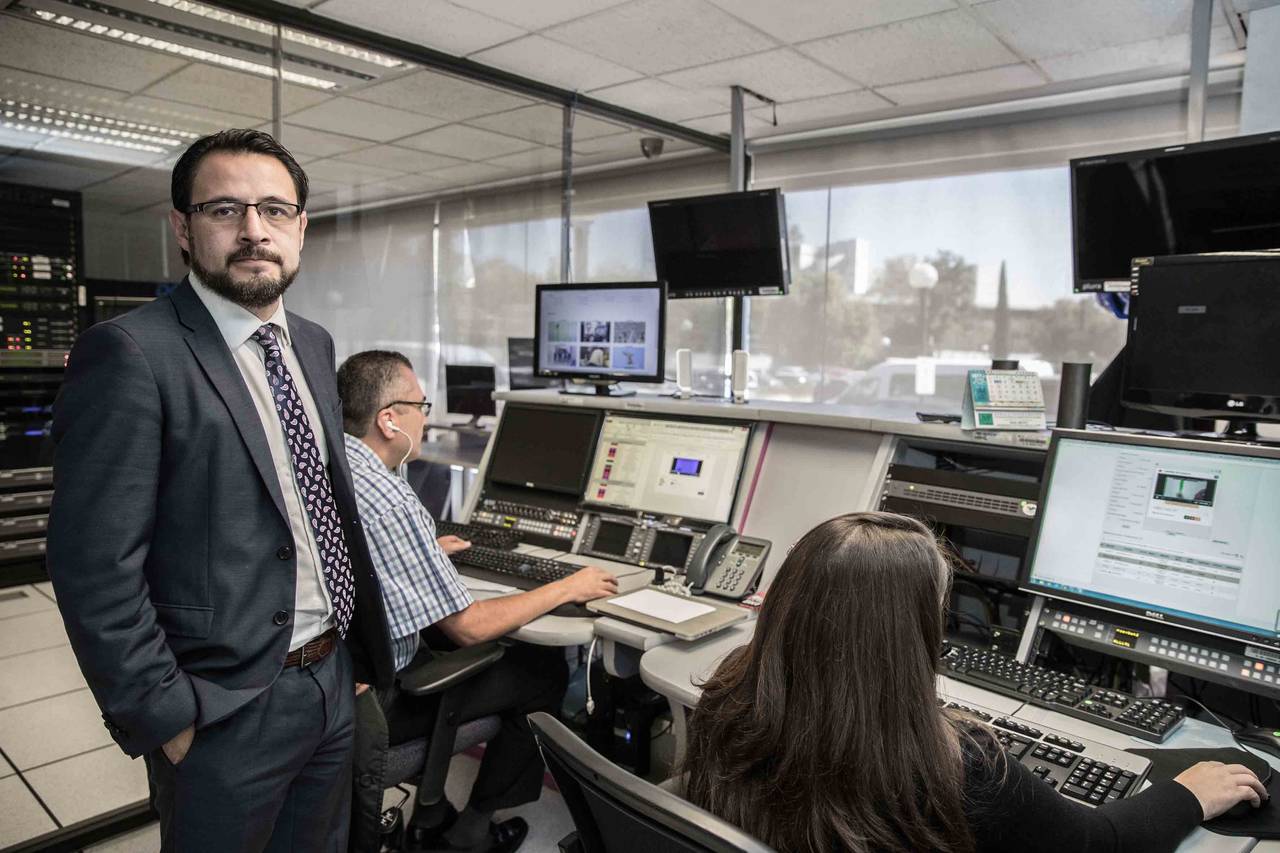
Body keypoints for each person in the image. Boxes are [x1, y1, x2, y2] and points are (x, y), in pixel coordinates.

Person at [46, 129, 393, 852]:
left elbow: (318, 506)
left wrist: (349, 653)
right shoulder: (132, 353)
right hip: (221, 707)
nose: (254, 230)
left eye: (274, 209)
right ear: (183, 228)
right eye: (225, 209)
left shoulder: (314, 343)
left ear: (301, 227)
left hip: (331, 678)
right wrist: (165, 713)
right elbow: (93, 563)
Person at [682, 511, 1267, 853]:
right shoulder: (954, 762)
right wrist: (1188, 793)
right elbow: (1096, 844)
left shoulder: (727, 694)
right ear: (909, 636)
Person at [336, 350, 618, 852]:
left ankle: (435, 812)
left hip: (340, 683)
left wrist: (422, 549)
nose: (425, 418)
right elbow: (469, 628)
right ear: (388, 419)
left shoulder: (333, 463)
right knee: (543, 672)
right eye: (420, 406)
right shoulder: (390, 499)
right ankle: (472, 831)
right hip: (383, 698)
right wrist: (567, 587)